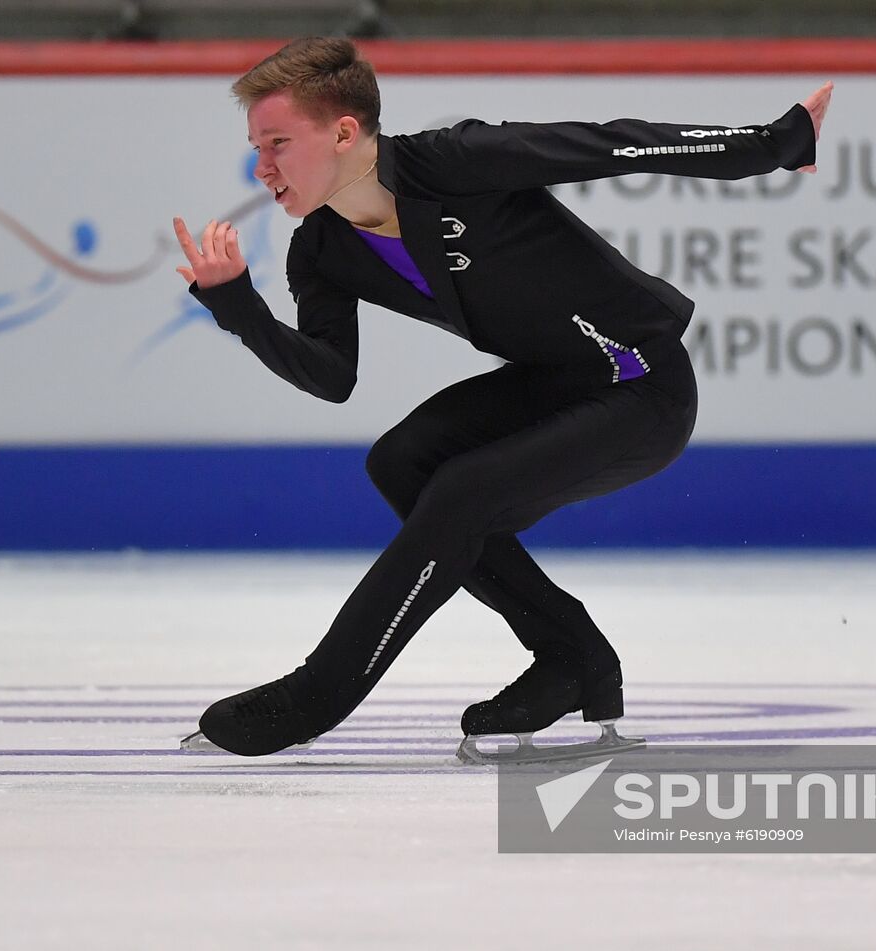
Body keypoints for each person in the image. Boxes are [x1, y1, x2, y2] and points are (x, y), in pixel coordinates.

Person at [174, 36, 832, 760]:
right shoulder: (322, 248)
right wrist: (237, 305)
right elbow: (332, 376)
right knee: (401, 462)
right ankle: (571, 656)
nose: (261, 166)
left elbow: (610, 148)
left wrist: (772, 144)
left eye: (276, 143)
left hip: (642, 384)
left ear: (343, 131)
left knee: (463, 488)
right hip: (555, 382)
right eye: (256, 147)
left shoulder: (455, 162)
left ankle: (317, 694)